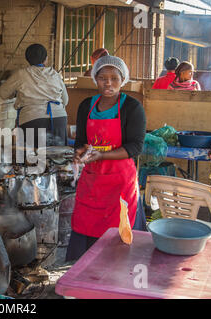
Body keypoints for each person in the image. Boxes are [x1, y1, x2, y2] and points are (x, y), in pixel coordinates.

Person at [65, 55, 147, 262]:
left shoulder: (132, 107)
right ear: (95, 78)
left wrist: (101, 154)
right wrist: (80, 153)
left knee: (118, 230)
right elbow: (81, 140)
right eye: (103, 78)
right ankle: (84, 279)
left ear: (123, 79)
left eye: (114, 78)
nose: (108, 83)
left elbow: (135, 147)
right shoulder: (86, 106)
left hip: (120, 182)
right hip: (92, 180)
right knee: (86, 226)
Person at [0, 43, 69, 148]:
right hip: (59, 119)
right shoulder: (55, 74)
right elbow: (65, 100)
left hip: (32, 120)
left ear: (27, 59)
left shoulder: (21, 74)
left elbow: (2, 93)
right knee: (58, 158)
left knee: (33, 160)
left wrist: (15, 93)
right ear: (46, 59)